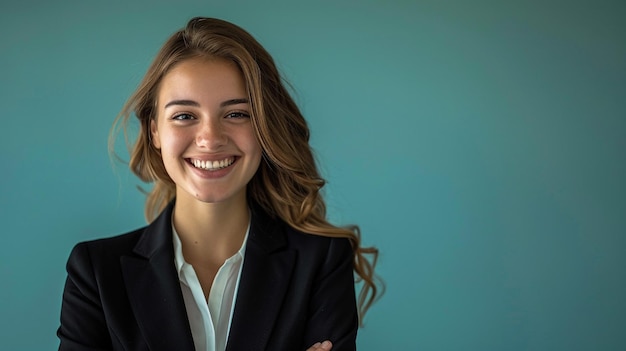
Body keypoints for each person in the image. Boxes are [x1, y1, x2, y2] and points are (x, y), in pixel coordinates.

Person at [58, 17, 380, 351]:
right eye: (185, 115)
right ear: (154, 130)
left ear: (264, 126)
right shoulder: (95, 273)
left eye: (237, 114)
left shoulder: (321, 263)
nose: (210, 139)